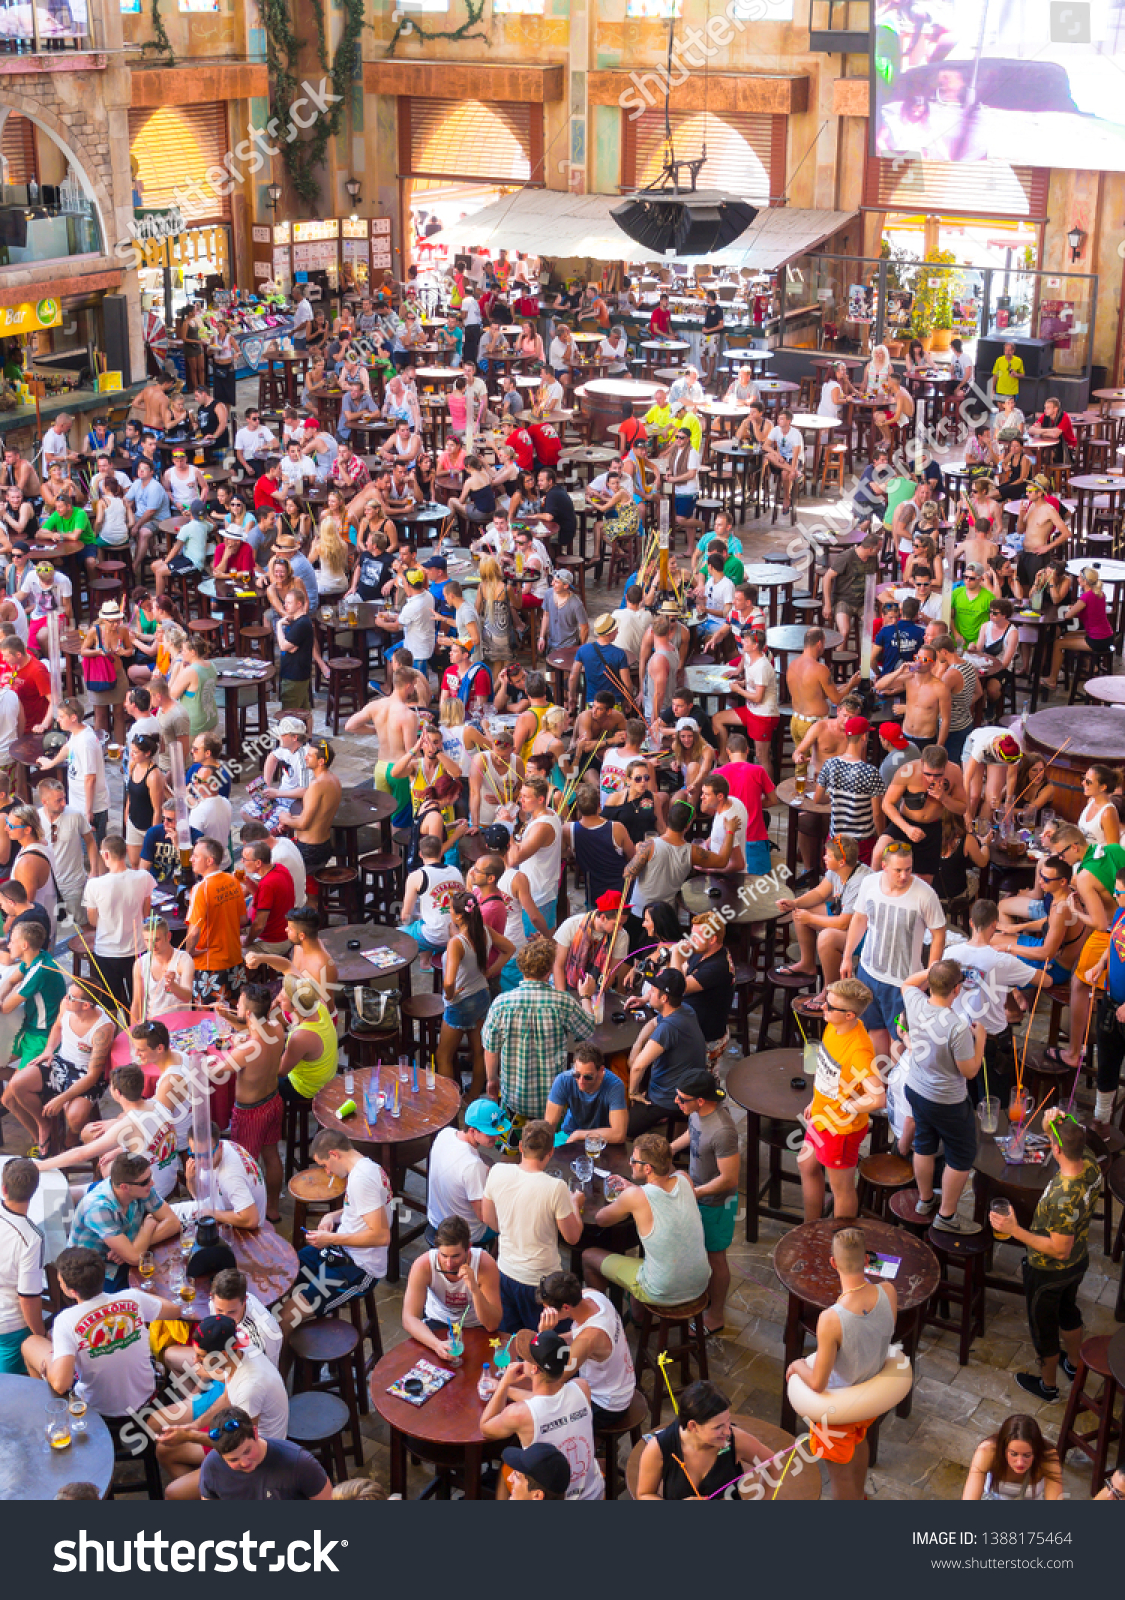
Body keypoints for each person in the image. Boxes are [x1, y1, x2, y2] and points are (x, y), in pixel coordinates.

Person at [989, 1108, 1102, 1402]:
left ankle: (1049, 1387)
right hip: (1080, 1261)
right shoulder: (1089, 1162)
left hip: (1050, 1270)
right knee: (1069, 1311)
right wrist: (1057, 1123)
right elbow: (1073, 1136)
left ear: (1054, 1148)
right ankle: (1074, 1364)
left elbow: (1059, 1249)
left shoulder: (1065, 1195)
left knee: (1044, 1330)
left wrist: (1015, 1230)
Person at [784, 1227, 896, 1501]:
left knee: (839, 1480)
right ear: (868, 1259)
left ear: (833, 1263)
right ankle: (860, 1496)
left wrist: (797, 1365)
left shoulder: (831, 1319)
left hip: (839, 1409)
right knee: (859, 1440)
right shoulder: (889, 1291)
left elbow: (818, 1384)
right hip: (869, 1396)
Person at [21, 1244, 180, 1421]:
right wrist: (142, 1298)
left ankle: (53, 1415)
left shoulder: (66, 1320)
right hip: (148, 1397)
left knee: (31, 1343)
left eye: (60, 1283)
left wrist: (49, 1365)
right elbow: (174, 1311)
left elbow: (60, 1384)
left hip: (99, 1412)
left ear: (71, 1291)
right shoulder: (132, 1298)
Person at [899, 959, 986, 1234]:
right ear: (957, 989)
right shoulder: (956, 1026)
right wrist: (980, 1040)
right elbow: (969, 1071)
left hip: (916, 1089)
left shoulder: (914, 1003)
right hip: (946, 1100)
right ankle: (947, 1216)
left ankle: (925, 1201)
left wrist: (934, 972)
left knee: (924, 1142)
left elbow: (909, 982)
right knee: (961, 1154)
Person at [584, 1129, 710, 1307]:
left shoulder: (636, 1196)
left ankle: (600, 1317)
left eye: (634, 1161)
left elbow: (601, 1220)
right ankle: (637, 1313)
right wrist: (633, 1189)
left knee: (588, 1256)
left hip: (662, 1289)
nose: (630, 1163)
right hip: (700, 1281)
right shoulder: (684, 1178)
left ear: (648, 1168)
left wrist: (630, 1196)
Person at [842, 842, 947, 1056]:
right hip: (868, 972)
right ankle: (881, 1085)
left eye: (908, 869)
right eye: (898, 870)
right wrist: (846, 956)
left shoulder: (925, 894)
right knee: (874, 1030)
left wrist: (930, 973)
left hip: (903, 983)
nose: (904, 875)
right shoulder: (869, 883)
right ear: (884, 866)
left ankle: (895, 1087)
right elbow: (859, 920)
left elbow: (939, 934)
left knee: (900, 1041)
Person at [282, 1129, 391, 1331]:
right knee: (289, 1270)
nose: (328, 1172)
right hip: (341, 1253)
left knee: (286, 1317)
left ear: (334, 1154)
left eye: (325, 1165)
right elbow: (363, 1208)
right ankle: (305, 1340)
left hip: (358, 1268)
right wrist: (333, 1216)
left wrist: (331, 1239)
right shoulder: (367, 1167)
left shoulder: (362, 1180)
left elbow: (382, 1236)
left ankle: (289, 1359)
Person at [796, 977, 885, 1225]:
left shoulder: (859, 1052)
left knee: (842, 1190)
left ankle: (841, 1245)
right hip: (822, 1116)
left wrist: (849, 1107)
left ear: (849, 1015)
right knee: (805, 1164)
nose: (823, 1007)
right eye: (826, 1001)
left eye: (830, 1006)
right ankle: (810, 1229)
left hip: (841, 1130)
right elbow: (827, 1070)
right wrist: (815, 1101)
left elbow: (878, 1098)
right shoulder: (833, 1025)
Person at [481, 1119, 584, 1333]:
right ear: (550, 1152)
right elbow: (572, 1237)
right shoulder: (556, 1187)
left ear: (521, 1147)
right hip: (543, 1283)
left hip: (506, 1273)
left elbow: (489, 1219)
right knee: (552, 1346)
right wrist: (575, 1205)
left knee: (510, 1340)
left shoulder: (497, 1171)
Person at [480, 1328, 604, 1500]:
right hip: (593, 1492)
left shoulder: (520, 1414)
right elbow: (548, 1401)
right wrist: (508, 1390)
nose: (521, 1360)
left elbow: (485, 1427)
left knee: (507, 1470)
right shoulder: (582, 1388)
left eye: (524, 1358)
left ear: (535, 1369)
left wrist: (504, 1384)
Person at [482, 937, 593, 1121]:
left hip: (514, 1099)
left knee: (516, 1144)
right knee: (549, 1145)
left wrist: (492, 1079)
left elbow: (491, 1049)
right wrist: (586, 996)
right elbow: (588, 1029)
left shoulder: (501, 1003)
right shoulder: (562, 1002)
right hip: (553, 1100)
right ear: (549, 970)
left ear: (521, 968)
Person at [2, 980, 111, 1154]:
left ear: (86, 1006)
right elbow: (58, 1026)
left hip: (86, 1074)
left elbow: (92, 1075)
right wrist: (49, 1049)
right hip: (61, 1061)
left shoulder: (103, 1029)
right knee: (17, 1084)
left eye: (72, 997)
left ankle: (71, 1138)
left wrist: (62, 1099)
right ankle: (43, 1123)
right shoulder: (66, 1006)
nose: (66, 998)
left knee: (75, 1117)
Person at [666, 1073, 739, 1332]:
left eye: (682, 1099)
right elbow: (692, 1133)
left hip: (717, 1203)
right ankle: (702, 1297)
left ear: (700, 1100)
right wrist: (669, 1149)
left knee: (716, 1258)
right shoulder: (696, 1112)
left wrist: (694, 1194)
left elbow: (729, 1178)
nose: (676, 1102)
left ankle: (716, 1316)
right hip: (699, 1193)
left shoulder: (723, 1130)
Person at [636, 1379, 770, 1501]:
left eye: (728, 1422)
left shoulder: (736, 1439)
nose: (728, 1432)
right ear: (693, 1426)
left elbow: (773, 1463)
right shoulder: (659, 1448)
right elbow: (644, 1494)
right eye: (718, 1427)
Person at [67, 1152, 180, 1289]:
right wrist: (148, 1224)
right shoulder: (98, 1208)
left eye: (150, 1176)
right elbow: (134, 1258)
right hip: (93, 1272)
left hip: (122, 1260)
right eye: (145, 1181)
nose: (152, 1183)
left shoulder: (141, 1187)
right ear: (124, 1187)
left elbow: (174, 1223)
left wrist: (132, 1245)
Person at [401, 1214, 503, 1359]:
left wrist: (475, 1289)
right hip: (438, 1322)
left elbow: (492, 1324)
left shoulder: (484, 1264)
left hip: (476, 1326)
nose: (449, 1264)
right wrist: (436, 1345)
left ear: (468, 1247)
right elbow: (409, 1318)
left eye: (455, 1256)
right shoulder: (423, 1265)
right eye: (443, 1256)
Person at [198, 1407, 332, 1500]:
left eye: (247, 1451)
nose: (244, 1462)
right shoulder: (211, 1466)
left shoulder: (300, 1463)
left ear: (255, 1433)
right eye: (233, 1460)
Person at [426, 1097, 505, 1247]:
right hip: (468, 1233)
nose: (496, 1137)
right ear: (472, 1131)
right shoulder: (473, 1166)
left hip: (436, 1217)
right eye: (490, 1134)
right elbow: (484, 1217)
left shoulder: (445, 1133)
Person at [35, 698, 110, 842]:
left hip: (92, 806)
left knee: (94, 848)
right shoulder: (77, 731)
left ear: (73, 718)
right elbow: (68, 747)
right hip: (78, 802)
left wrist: (88, 811)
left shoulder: (85, 742)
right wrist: (52, 763)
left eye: (62, 717)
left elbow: (90, 778)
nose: (58, 719)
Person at [185, 837, 245, 1005]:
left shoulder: (200, 889)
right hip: (234, 959)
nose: (191, 859)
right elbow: (243, 918)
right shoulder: (234, 881)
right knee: (234, 1015)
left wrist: (188, 953)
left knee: (207, 1021)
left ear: (209, 861)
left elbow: (194, 931)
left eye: (196, 856)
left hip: (209, 965)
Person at [0, 1158, 45, 1369]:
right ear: (33, 1190)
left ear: (4, 1188)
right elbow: (28, 1298)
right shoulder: (31, 1237)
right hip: (10, 1327)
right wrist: (40, 1335)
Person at [963, 1414, 1063, 1500]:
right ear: (1003, 1450)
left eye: (1027, 1455)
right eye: (1013, 1454)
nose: (1020, 1462)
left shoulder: (1048, 1457)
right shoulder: (987, 1451)